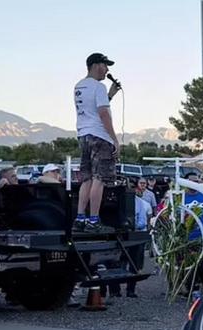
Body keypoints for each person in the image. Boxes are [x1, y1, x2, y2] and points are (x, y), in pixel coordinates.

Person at [72, 52, 121, 233]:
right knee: (99, 179)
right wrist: (115, 139)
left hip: (83, 135)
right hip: (100, 136)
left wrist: (110, 95)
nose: (107, 69)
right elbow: (102, 114)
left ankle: (80, 218)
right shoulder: (98, 86)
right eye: (105, 65)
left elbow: (91, 110)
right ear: (96, 65)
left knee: (87, 178)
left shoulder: (79, 86)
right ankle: (94, 220)